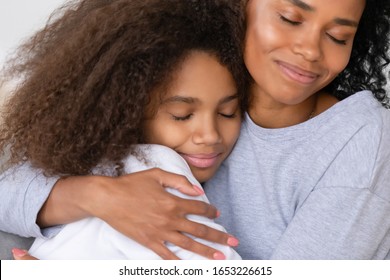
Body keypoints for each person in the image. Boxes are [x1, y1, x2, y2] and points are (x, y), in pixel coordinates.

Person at [2, 0, 390, 260]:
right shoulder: (191, 71)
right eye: (290, 18)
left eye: (339, 36)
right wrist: (101, 197)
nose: (309, 49)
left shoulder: (359, 144)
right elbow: (9, 189)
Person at [0, 0, 249, 260]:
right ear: (129, 111)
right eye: (181, 116)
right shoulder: (139, 164)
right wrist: (100, 196)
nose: (210, 135)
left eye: (227, 113)